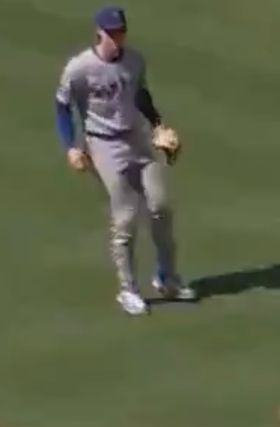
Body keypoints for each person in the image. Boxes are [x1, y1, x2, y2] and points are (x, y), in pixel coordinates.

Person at [56, 6, 194, 315]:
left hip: (136, 138)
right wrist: (71, 147)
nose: (118, 37)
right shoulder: (79, 68)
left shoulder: (135, 60)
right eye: (113, 32)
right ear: (99, 32)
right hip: (103, 144)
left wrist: (158, 124)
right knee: (126, 217)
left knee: (160, 206)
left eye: (121, 31)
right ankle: (128, 290)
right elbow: (62, 106)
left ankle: (166, 278)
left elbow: (140, 95)